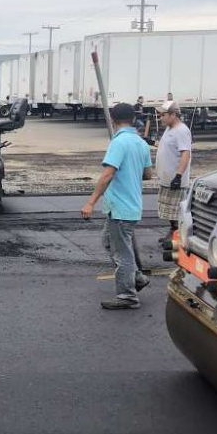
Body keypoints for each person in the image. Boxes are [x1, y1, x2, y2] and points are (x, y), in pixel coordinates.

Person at [81, 103, 153, 310]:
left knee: (123, 254)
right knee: (107, 241)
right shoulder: (140, 143)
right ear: (132, 119)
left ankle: (128, 296)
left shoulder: (119, 142)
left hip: (121, 207)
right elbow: (148, 174)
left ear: (113, 119)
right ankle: (137, 277)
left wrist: (91, 202)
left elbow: (108, 174)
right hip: (130, 205)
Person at [155, 100, 192, 247]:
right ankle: (172, 232)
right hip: (166, 178)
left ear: (173, 114)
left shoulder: (181, 130)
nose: (160, 118)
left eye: (163, 115)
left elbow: (185, 154)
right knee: (169, 211)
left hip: (175, 179)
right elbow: (168, 147)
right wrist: (151, 142)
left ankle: (177, 238)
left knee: (176, 211)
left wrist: (178, 176)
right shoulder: (170, 129)